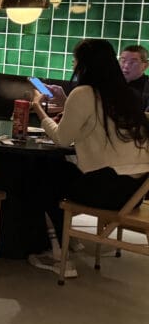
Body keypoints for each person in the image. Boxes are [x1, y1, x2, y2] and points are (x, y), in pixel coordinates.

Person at [30, 39, 149, 276]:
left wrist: (38, 108)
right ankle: (68, 237)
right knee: (58, 170)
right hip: (134, 192)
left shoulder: (84, 93)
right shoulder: (126, 95)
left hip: (105, 190)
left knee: (41, 176)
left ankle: (58, 253)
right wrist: (66, 101)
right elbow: (95, 116)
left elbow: (62, 139)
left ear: (85, 65)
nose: (73, 65)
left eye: (75, 61)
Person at [119, 45, 149, 111]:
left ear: (145, 65)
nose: (126, 66)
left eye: (132, 62)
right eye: (123, 61)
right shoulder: (110, 84)